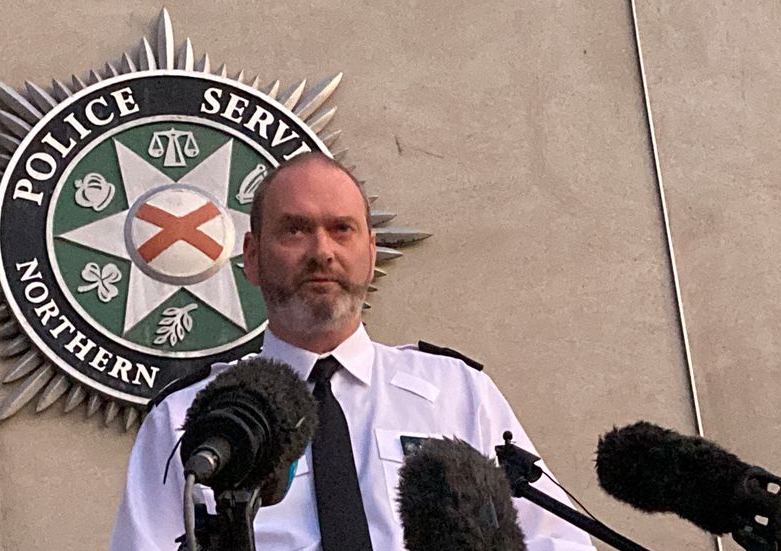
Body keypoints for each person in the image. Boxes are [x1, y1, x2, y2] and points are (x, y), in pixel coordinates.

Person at [110, 152, 596, 550]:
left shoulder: (456, 393)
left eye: (342, 229)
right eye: (295, 230)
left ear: (370, 251)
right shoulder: (190, 418)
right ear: (253, 258)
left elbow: (560, 542)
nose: (322, 250)